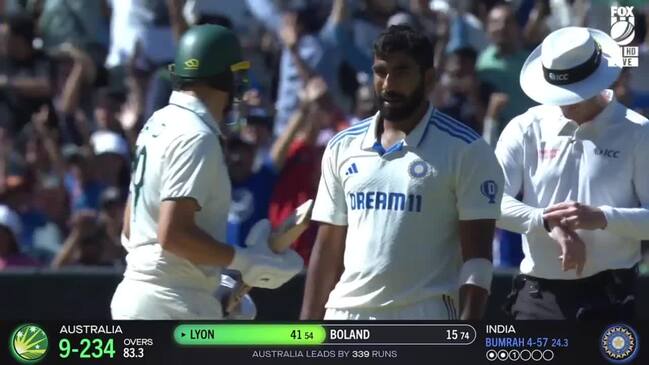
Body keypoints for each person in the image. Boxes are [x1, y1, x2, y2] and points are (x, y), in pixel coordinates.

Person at [301, 25, 504, 320]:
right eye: (381, 71)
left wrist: (466, 338)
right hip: (345, 316)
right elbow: (328, 246)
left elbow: (478, 260)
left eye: (402, 71)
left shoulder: (465, 149)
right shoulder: (342, 146)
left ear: (429, 78)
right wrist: (305, 332)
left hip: (423, 318)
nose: (388, 84)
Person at [110, 24, 303, 320]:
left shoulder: (156, 123)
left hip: (140, 297)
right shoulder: (196, 135)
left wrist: (211, 284)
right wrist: (244, 261)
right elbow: (172, 234)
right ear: (226, 78)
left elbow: (130, 227)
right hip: (170, 305)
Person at [496, 27, 649, 320]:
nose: (564, 103)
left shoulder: (639, 133)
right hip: (537, 298)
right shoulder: (526, 127)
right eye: (558, 94)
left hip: (613, 297)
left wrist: (602, 218)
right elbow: (488, 201)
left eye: (573, 95)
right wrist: (545, 222)